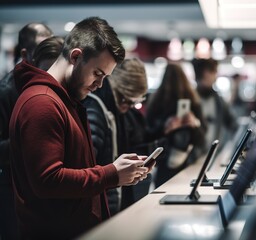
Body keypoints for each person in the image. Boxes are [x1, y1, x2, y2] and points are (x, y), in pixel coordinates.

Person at [9, 17, 152, 239]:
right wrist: (111, 174)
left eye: (105, 77)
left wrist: (116, 171)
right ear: (76, 56)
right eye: (97, 73)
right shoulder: (42, 102)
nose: (100, 84)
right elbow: (48, 181)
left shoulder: (64, 100)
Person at [83, 58, 160, 213]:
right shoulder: (97, 110)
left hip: (114, 201)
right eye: (127, 100)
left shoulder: (119, 112)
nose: (129, 107)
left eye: (135, 102)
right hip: (100, 206)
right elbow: (89, 169)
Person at [0, 22, 53, 240]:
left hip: (41, 190)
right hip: (13, 189)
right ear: (25, 53)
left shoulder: (48, 84)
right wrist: (32, 141)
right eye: (41, 48)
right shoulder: (6, 91)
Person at [146, 63, 207, 187]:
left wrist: (164, 128)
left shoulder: (156, 101)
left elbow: (147, 134)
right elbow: (202, 138)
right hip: (189, 163)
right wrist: (194, 125)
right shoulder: (193, 101)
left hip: (164, 164)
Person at [192, 58, 238, 150]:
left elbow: (232, 123)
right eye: (214, 72)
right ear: (206, 73)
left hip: (213, 153)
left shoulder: (218, 100)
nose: (215, 77)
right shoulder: (191, 99)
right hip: (194, 155)